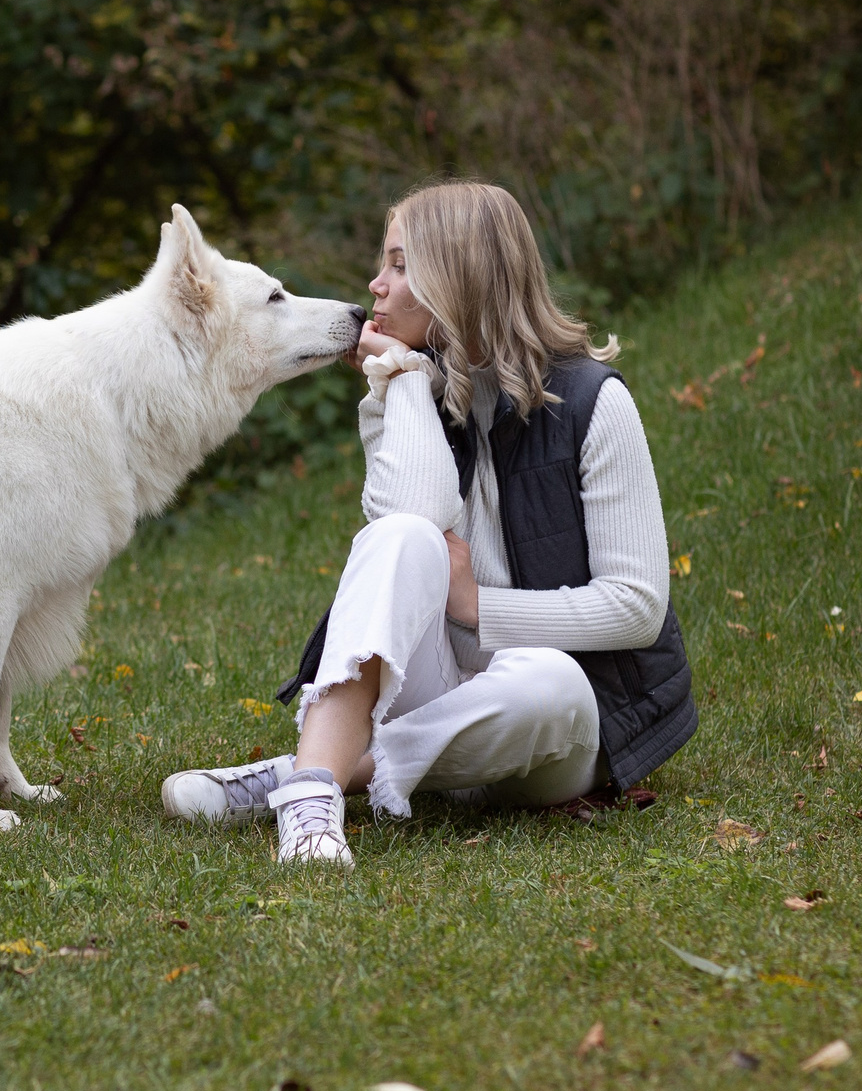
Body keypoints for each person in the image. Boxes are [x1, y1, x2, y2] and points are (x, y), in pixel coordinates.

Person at [159, 181, 696, 865]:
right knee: (400, 535)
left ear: (460, 276)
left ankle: (303, 774)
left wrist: (479, 605)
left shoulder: (594, 403)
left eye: (400, 265)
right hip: (438, 685)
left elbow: (637, 609)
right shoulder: (408, 388)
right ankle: (312, 805)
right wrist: (405, 380)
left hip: (561, 728)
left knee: (549, 682)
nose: (376, 287)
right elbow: (406, 520)